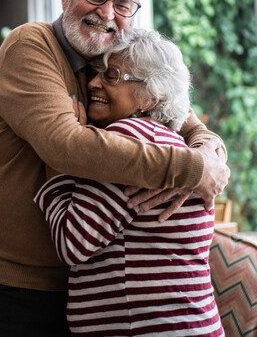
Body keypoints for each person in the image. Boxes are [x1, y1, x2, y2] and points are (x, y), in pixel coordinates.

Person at [0, 0, 229, 336]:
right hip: (19, 288)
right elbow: (66, 145)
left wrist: (209, 153)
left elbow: (183, 117)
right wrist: (188, 169)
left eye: (123, 4)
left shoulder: (114, 62)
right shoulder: (31, 44)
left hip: (88, 288)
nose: (107, 13)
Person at [35, 28, 223, 336]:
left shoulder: (130, 136)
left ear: (150, 95)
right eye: (95, 73)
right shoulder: (171, 142)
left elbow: (72, 243)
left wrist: (57, 160)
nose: (93, 83)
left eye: (110, 76)